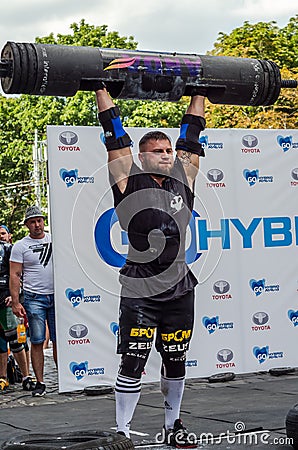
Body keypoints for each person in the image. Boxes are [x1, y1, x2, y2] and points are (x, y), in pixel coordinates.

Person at [95, 85, 206, 447]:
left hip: (179, 288)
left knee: (175, 358)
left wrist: (199, 91)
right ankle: (123, 431)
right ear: (142, 157)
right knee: (133, 361)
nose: (166, 155)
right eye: (157, 151)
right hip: (140, 289)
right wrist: (100, 87)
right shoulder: (127, 181)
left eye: (167, 150)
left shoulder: (182, 180)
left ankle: (174, 425)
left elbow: (191, 135)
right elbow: (115, 136)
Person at [9, 206, 56, 397]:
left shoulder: (55, 239)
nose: (37, 225)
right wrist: (15, 301)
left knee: (60, 341)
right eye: (33, 222)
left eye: (39, 220)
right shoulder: (20, 246)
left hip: (58, 295)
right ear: (27, 225)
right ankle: (40, 382)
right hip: (34, 297)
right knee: (37, 340)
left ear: (44, 221)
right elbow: (15, 274)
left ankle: (66, 381)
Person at [0, 226, 35, 392]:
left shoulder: (8, 249)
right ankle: (3, 377)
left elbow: (16, 273)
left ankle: (26, 376)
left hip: (6, 299)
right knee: (1, 341)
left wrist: (14, 296)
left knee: (15, 339)